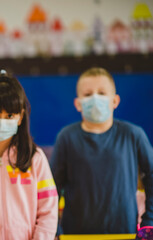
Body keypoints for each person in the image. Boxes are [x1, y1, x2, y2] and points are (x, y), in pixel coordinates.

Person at [50, 67, 153, 235]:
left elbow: (152, 175)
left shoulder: (133, 135)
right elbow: (51, 188)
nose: (95, 98)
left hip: (124, 233)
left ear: (115, 100)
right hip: (75, 235)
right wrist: (54, 228)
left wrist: (149, 221)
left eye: (102, 93)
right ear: (78, 103)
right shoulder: (66, 137)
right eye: (88, 94)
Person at [0, 70, 58, 240]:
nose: (2, 121)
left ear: (20, 117)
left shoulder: (35, 158)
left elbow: (48, 210)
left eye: (10, 115)